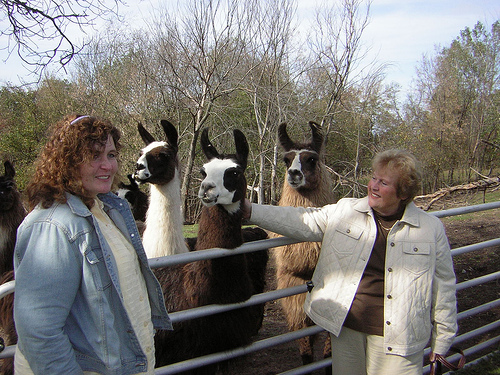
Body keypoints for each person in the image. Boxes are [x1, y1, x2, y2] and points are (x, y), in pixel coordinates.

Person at [243, 149, 457, 375]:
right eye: (374, 178)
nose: (373, 186)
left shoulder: (429, 229)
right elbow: (302, 219)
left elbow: (443, 288)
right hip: (348, 330)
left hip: (400, 338)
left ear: (403, 193)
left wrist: (442, 342)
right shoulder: (347, 211)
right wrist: (250, 210)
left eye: (383, 182)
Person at [13, 114, 172, 374]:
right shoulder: (52, 226)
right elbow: (39, 332)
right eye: (94, 156)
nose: (107, 166)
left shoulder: (106, 209)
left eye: (111, 155)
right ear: (67, 162)